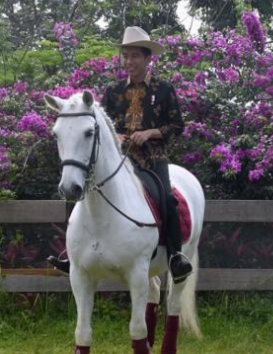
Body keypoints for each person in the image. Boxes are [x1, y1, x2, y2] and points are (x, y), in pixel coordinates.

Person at [49, 26, 192, 284]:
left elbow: (177, 126)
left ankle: (174, 256)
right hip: (119, 161)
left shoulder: (163, 90)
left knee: (167, 200)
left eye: (135, 55)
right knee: (80, 190)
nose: (129, 61)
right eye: (126, 55)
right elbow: (102, 127)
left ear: (148, 58)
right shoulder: (113, 92)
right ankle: (73, 253)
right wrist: (118, 137)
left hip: (152, 159)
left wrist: (150, 133)